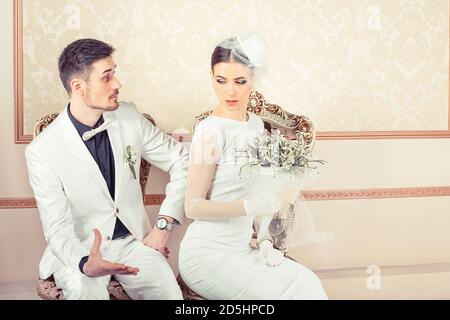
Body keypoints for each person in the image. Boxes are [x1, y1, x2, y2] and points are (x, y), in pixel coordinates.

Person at [25, 38, 188, 300]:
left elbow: (182, 159)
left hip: (133, 243)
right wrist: (83, 262)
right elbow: (56, 227)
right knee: (84, 291)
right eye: (107, 77)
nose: (117, 84)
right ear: (78, 87)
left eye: (115, 73)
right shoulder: (42, 151)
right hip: (81, 250)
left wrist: (163, 225)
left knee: (169, 293)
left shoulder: (129, 115)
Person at [178, 35, 328, 299]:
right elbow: (193, 206)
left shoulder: (256, 125)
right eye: (220, 81)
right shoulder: (210, 131)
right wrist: (249, 207)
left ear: (254, 79)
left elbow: (261, 189)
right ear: (211, 77)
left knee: (308, 284)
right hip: (207, 256)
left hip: (242, 249)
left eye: (240, 81)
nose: (230, 92)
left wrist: (265, 239)